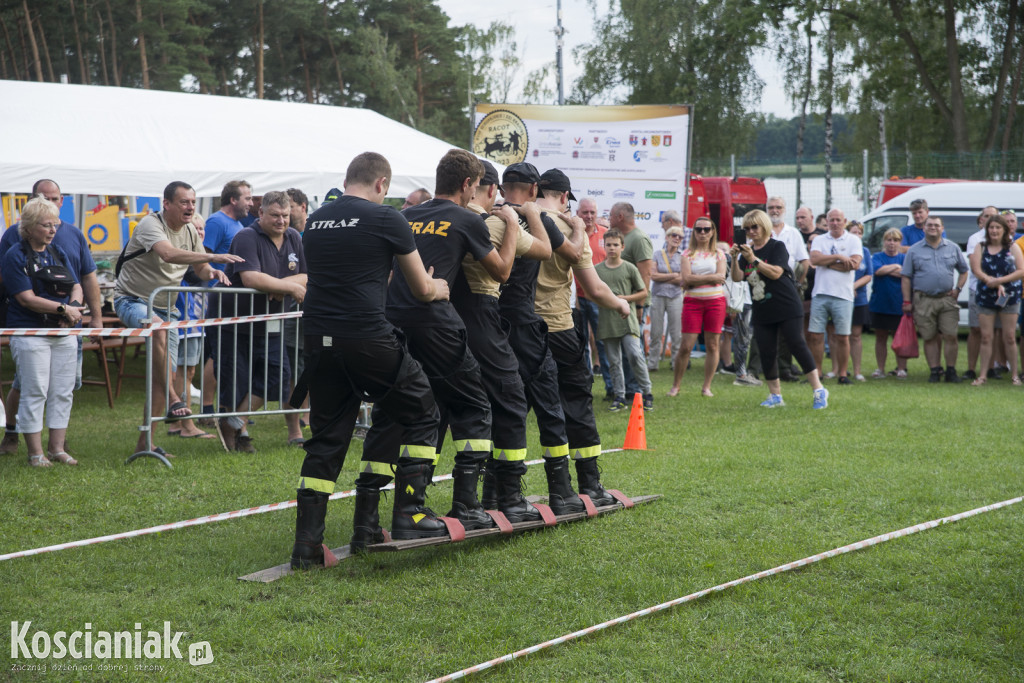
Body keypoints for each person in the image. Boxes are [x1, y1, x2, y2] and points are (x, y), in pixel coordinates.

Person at [352, 150, 526, 539]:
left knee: (394, 414)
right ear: (468, 184)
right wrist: (512, 224)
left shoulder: (404, 216)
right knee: (474, 405)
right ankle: (467, 507)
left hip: (392, 324)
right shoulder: (467, 218)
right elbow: (501, 272)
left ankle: (365, 520)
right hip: (435, 323)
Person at [290, 152, 450, 569]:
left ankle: (307, 546)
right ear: (382, 183)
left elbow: (351, 273)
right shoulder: (388, 218)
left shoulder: (317, 221)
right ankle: (411, 513)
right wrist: (441, 286)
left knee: (326, 438)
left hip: (318, 339)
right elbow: (420, 288)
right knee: (422, 409)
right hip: (367, 337)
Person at [452, 160, 583, 522]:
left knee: (496, 407)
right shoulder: (536, 218)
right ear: (534, 189)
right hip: (522, 323)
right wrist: (580, 227)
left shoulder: (480, 219)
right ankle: (563, 492)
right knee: (547, 404)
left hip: (486, 322)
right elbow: (570, 253)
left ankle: (492, 492)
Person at [114, 181, 241, 458]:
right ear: (167, 204)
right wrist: (213, 255)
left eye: (193, 202)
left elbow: (200, 268)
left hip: (166, 308)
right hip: (132, 300)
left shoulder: (189, 231)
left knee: (163, 376)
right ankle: (175, 398)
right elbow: (168, 254)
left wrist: (213, 272)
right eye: (184, 202)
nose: (190, 207)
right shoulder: (150, 224)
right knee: (158, 332)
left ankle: (145, 444)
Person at [534, 168, 633, 500]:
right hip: (558, 326)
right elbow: (594, 288)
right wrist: (621, 304)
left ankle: (499, 495)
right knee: (575, 402)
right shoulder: (569, 229)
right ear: (564, 197)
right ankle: (588, 485)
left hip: (514, 330)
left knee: (519, 410)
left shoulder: (510, 220)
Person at [0, 179, 102, 455]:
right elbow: (25, 298)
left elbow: (78, 282)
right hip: (30, 332)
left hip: (63, 331)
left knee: (62, 391)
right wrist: (62, 309)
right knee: (34, 391)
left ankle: (58, 449)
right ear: (30, 226)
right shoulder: (14, 253)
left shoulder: (58, 250)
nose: (53, 229)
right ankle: (35, 453)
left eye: (55, 225)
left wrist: (74, 308)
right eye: (46, 225)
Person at [211, 191, 307, 452]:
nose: (281, 221)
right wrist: (285, 287)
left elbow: (305, 277)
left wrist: (279, 286)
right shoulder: (246, 237)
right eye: (275, 215)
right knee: (236, 380)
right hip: (236, 323)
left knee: (278, 376)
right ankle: (238, 435)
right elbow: (251, 279)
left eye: (285, 216)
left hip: (272, 323)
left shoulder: (294, 238)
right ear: (261, 212)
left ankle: (233, 422)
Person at [731, 210, 827, 409]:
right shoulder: (747, 251)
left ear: (764, 226)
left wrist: (754, 260)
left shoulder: (777, 246)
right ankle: (775, 395)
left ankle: (818, 390)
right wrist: (733, 259)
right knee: (766, 350)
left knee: (796, 345)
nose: (751, 231)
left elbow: (776, 273)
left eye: (754, 227)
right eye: (747, 229)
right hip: (763, 308)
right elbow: (737, 277)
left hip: (786, 304)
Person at [901, 216, 968, 383]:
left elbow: (964, 270)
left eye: (936, 225)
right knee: (929, 336)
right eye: (929, 225)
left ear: (942, 228)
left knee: (950, 335)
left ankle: (951, 371)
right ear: (923, 228)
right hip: (923, 299)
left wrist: (958, 289)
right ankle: (934, 370)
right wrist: (907, 301)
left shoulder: (953, 248)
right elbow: (906, 277)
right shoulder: (914, 250)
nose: (933, 228)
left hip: (947, 299)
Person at [669, 217, 728, 398]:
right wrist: (711, 277)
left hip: (715, 302)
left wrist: (695, 279)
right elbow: (686, 279)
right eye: (699, 229)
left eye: (706, 229)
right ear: (694, 232)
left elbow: (721, 276)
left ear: (712, 232)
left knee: (712, 344)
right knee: (686, 346)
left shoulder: (719, 254)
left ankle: (706, 387)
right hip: (693, 302)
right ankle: (676, 386)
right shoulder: (686, 254)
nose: (702, 233)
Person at [595, 229, 652, 411]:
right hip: (607, 322)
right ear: (604, 246)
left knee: (635, 355)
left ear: (622, 247)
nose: (612, 248)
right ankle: (619, 396)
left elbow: (643, 291)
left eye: (615, 245)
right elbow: (592, 294)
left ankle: (647, 392)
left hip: (628, 322)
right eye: (608, 244)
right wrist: (608, 300)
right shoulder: (597, 270)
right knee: (614, 361)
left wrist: (624, 299)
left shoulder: (629, 268)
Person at [807, 208, 862, 385]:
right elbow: (814, 260)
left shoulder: (853, 240)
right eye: (832, 220)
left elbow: (853, 264)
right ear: (827, 221)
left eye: (839, 220)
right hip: (821, 293)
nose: (835, 223)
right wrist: (838, 257)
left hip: (843, 295)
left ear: (844, 221)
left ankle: (843, 374)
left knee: (843, 336)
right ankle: (818, 373)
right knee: (815, 335)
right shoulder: (819, 239)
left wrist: (827, 263)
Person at [968, 214, 1024, 386]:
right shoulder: (981, 246)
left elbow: (1021, 270)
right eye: (991, 227)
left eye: (998, 227)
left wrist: (1000, 281)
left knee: (1009, 337)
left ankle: (1015, 375)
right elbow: (976, 269)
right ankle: (983, 375)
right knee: (986, 336)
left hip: (1009, 296)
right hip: (986, 295)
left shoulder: (1012, 247)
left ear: (1004, 230)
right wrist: (989, 281)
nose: (994, 230)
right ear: (987, 229)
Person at [609, 202, 653, 395]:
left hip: (635, 304)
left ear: (619, 217)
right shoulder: (621, 237)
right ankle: (623, 389)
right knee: (622, 352)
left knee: (634, 351)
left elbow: (645, 276)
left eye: (610, 216)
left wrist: (640, 306)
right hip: (621, 304)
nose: (608, 219)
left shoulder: (639, 239)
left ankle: (636, 391)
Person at [767, 196, 810, 381]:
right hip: (766, 286)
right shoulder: (760, 231)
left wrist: (798, 283)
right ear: (766, 209)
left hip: (789, 287)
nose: (775, 210)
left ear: (784, 209)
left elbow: (804, 261)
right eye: (771, 207)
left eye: (778, 207)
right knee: (765, 329)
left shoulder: (793, 233)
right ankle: (764, 367)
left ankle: (784, 369)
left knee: (788, 331)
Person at [574, 197, 613, 398]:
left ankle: (611, 388)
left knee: (603, 344)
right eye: (584, 212)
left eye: (592, 213)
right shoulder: (572, 231)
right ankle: (584, 389)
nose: (588, 216)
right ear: (578, 213)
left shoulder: (606, 235)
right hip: (575, 299)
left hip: (599, 299)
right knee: (579, 345)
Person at [963, 205, 1001, 380]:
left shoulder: (1006, 239)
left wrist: (1000, 282)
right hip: (978, 290)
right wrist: (991, 280)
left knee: (993, 331)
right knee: (976, 330)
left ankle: (991, 367)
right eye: (986, 216)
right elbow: (975, 265)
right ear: (981, 219)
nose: (989, 219)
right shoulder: (975, 239)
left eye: (993, 216)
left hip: (1000, 291)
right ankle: (971, 368)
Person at [868, 228, 908, 378]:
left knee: (899, 338)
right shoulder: (877, 256)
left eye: (895, 240)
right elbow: (877, 271)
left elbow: (906, 274)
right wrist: (897, 269)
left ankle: (902, 368)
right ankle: (880, 369)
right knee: (881, 337)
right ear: (884, 241)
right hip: (880, 303)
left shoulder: (904, 258)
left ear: (900, 242)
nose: (892, 243)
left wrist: (889, 270)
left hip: (899, 303)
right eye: (889, 240)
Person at [648, 225, 684, 372]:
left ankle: (676, 364)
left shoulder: (683, 256)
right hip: (658, 296)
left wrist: (664, 278)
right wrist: (674, 276)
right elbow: (653, 275)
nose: (676, 238)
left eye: (679, 237)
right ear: (667, 237)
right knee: (656, 332)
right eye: (673, 235)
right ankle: (652, 364)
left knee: (676, 333)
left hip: (676, 297)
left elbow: (683, 279)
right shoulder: (657, 254)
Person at [846, 220, 874, 381]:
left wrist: (853, 287)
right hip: (841, 296)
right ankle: (837, 369)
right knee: (838, 335)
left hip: (859, 299)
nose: (856, 235)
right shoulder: (842, 249)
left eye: (859, 233)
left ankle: (857, 371)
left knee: (855, 335)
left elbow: (869, 274)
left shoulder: (865, 251)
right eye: (853, 232)